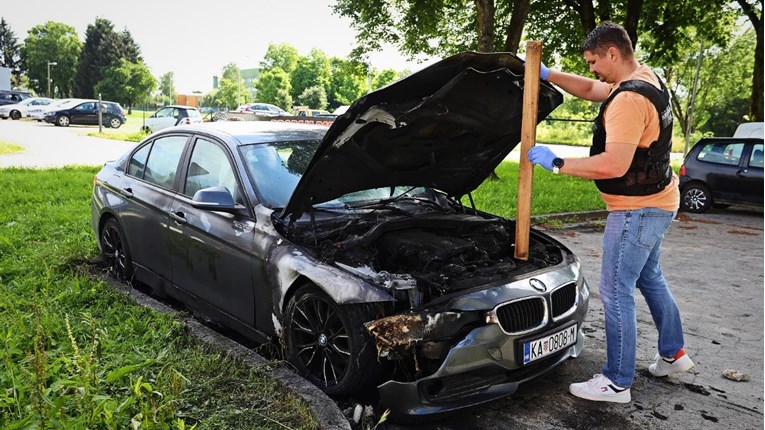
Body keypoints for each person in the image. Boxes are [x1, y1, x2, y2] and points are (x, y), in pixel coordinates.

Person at [527, 21, 694, 404]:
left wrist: (557, 162)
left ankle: (616, 382)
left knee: (616, 290)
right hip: (661, 200)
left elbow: (614, 165)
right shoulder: (642, 78)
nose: (590, 69)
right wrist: (550, 74)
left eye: (593, 61)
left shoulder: (629, 101)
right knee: (650, 277)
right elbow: (592, 90)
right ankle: (674, 353)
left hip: (637, 210)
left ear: (612, 54)